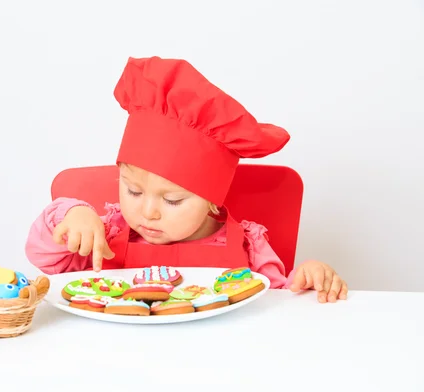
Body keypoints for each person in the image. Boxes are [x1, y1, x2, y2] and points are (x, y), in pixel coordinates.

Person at [25, 56, 348, 303]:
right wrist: (72, 214)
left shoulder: (248, 246)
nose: (148, 212)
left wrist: (306, 278)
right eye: (133, 190)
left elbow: (275, 300)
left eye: (172, 200)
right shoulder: (105, 231)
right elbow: (43, 256)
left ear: (212, 199)